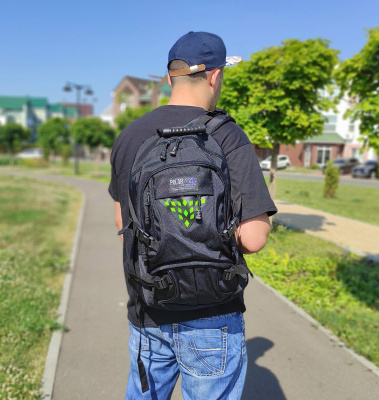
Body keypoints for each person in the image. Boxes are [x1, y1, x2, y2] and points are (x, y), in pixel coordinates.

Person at [109, 31, 277, 400]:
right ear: (215, 76)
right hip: (214, 312)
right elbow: (253, 238)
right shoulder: (228, 135)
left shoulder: (130, 136)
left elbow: (124, 226)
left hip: (149, 307)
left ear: (170, 77)